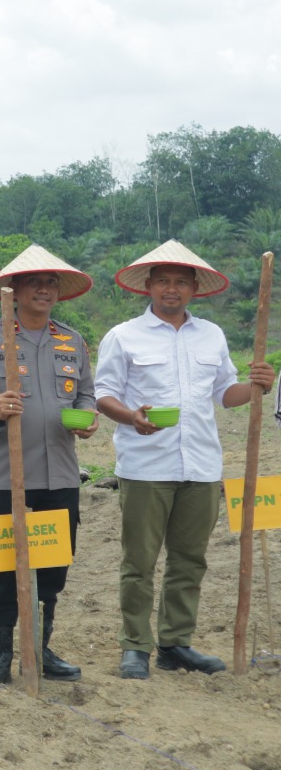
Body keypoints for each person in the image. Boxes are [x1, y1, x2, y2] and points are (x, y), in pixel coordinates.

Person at [94, 241, 275, 680]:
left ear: (194, 288)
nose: (171, 289)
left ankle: (175, 643)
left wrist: (258, 385)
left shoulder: (211, 335)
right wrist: (131, 417)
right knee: (139, 562)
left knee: (189, 560)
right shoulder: (123, 335)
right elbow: (104, 394)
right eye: (163, 281)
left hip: (201, 466)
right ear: (149, 286)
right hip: (145, 466)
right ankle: (135, 645)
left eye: (180, 282)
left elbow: (225, 394)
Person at [0, 245, 97, 685]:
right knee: (3, 568)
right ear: (13, 290)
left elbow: (86, 394)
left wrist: (87, 416)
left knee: (52, 569)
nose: (44, 290)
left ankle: (40, 648)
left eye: (51, 283)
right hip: (5, 477)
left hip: (60, 475)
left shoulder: (72, 340)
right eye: (35, 282)